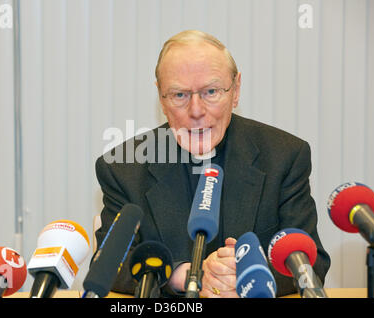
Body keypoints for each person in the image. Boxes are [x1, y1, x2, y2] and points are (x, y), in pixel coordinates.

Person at [94, 30, 330, 297]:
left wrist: (247, 276)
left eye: (211, 91)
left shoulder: (284, 156)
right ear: (161, 97)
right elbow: (109, 265)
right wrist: (183, 276)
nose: (196, 110)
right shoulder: (124, 168)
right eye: (179, 95)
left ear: (236, 90)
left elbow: (311, 264)